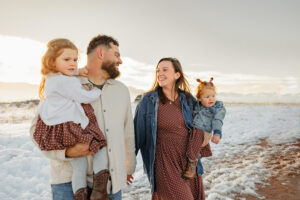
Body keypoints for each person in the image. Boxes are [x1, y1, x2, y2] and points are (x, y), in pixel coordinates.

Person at [30, 35, 136, 200]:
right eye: (116, 54)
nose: (120, 61)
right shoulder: (64, 82)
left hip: (109, 185)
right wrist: (67, 152)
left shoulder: (121, 90)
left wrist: (128, 168)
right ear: (100, 53)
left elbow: (127, 132)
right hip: (67, 185)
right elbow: (37, 133)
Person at [134, 57, 206, 200]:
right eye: (158, 71)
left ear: (177, 75)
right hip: (164, 162)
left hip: (189, 162)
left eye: (165, 70)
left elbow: (200, 127)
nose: (160, 73)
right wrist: (127, 165)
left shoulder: (188, 99)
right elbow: (136, 135)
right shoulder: (148, 101)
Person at [183, 77, 226, 179]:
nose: (211, 99)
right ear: (199, 98)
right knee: (194, 149)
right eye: (207, 97)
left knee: (193, 151)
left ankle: (193, 167)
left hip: (203, 132)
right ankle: (196, 168)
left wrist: (217, 133)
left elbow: (218, 120)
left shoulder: (217, 108)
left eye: (213, 96)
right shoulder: (197, 105)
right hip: (194, 131)